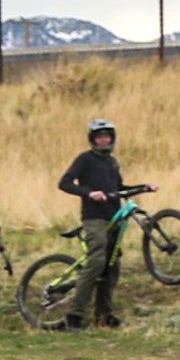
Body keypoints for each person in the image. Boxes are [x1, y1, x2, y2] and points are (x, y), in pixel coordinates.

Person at [56, 118, 127, 329]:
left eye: (107, 137)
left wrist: (144, 186)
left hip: (113, 217)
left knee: (112, 264)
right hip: (94, 218)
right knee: (97, 260)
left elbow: (120, 187)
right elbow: (65, 183)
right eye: (100, 137)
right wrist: (89, 193)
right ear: (93, 139)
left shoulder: (112, 162)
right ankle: (74, 315)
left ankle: (104, 315)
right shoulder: (85, 159)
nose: (104, 140)